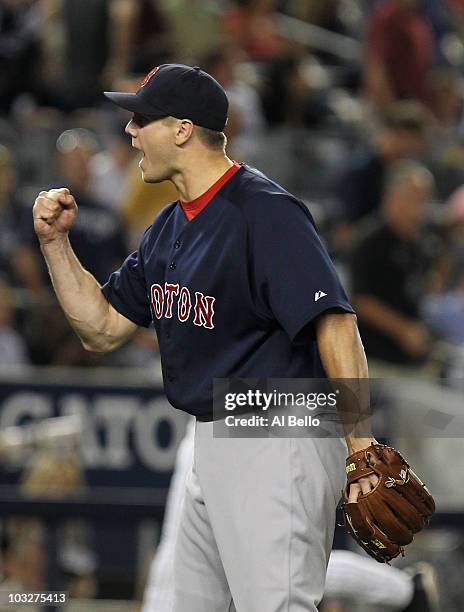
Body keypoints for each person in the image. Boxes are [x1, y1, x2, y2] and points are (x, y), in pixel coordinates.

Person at [32, 63, 382, 612]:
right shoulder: (168, 229)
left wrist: (360, 445)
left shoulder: (265, 209)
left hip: (277, 429)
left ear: (181, 129)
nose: (128, 131)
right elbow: (101, 328)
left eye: (140, 119)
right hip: (213, 435)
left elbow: (334, 320)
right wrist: (55, 246)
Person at [350, 160, 436, 369]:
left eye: (423, 199)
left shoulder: (422, 244)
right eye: (412, 197)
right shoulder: (370, 240)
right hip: (374, 358)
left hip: (410, 358)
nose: (418, 206)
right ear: (391, 197)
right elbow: (360, 300)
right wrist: (403, 330)